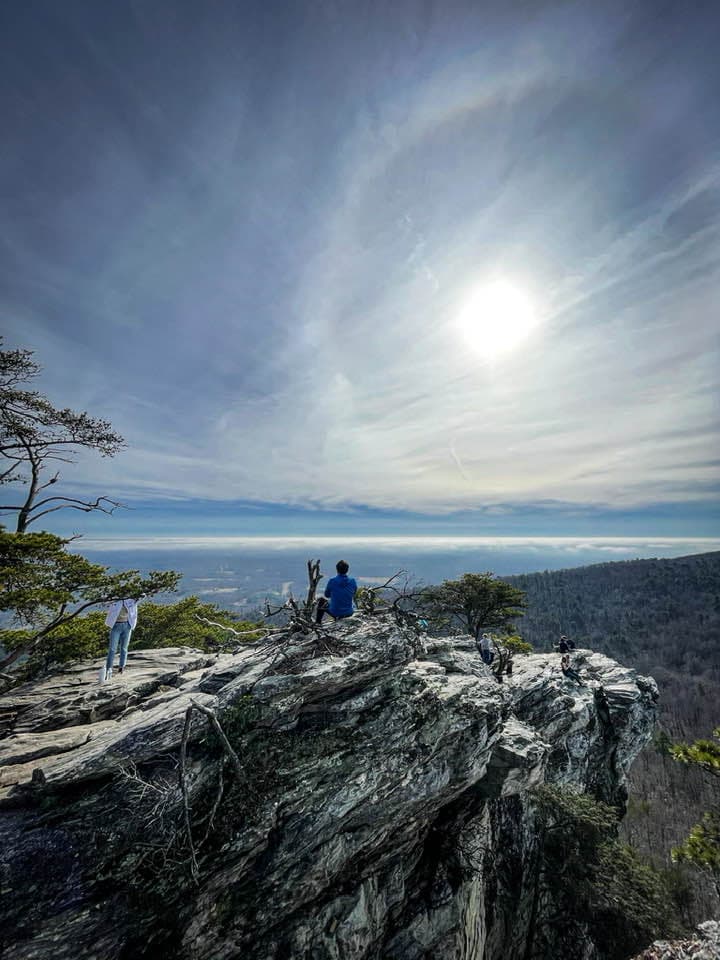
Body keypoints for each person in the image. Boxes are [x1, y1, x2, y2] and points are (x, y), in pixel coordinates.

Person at [100, 598, 138, 682]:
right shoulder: (115, 600)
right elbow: (105, 602)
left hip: (127, 626)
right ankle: (109, 668)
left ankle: (121, 667)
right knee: (112, 649)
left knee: (124, 648)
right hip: (116, 626)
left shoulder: (131, 600)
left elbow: (142, 595)